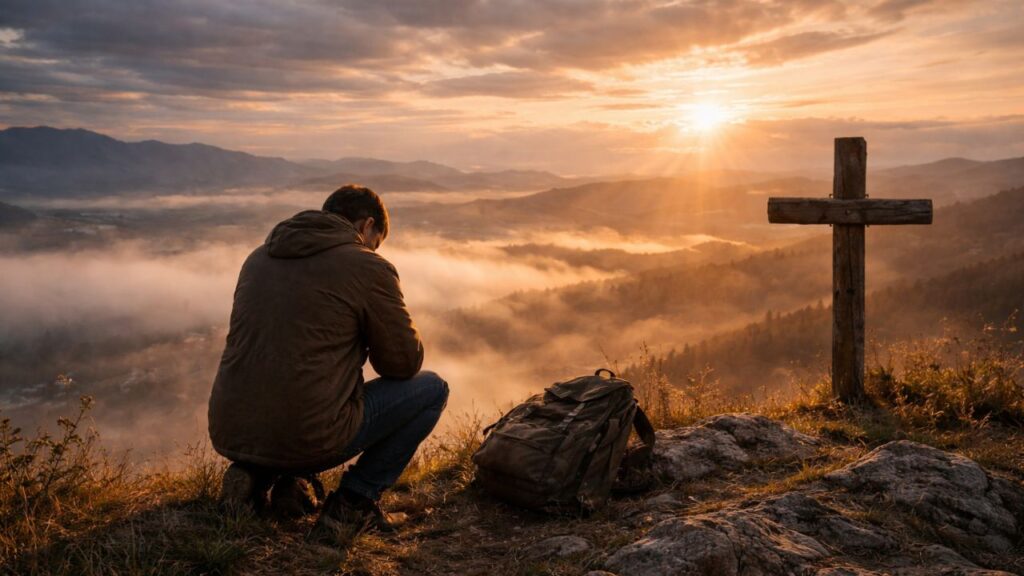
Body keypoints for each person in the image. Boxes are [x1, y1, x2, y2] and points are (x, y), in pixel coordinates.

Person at [207, 184, 448, 544]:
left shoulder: (258, 258)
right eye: (376, 241)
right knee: (431, 389)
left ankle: (257, 475)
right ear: (367, 226)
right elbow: (402, 365)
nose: (373, 249)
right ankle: (355, 501)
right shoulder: (367, 266)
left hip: (231, 428)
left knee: (297, 397)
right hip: (309, 433)